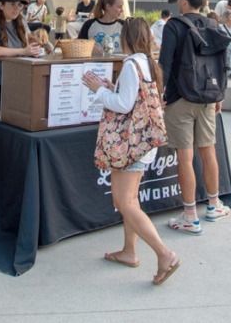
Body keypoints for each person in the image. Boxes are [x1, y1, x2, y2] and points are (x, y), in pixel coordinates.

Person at [82, 18, 180, 286]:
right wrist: (110, 88)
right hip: (143, 143)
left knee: (124, 202)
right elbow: (134, 99)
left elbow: (124, 105)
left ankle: (164, 254)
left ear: (127, 38)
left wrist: (99, 90)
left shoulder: (129, 65)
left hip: (129, 144)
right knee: (131, 200)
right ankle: (129, 251)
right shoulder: (147, 63)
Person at [159, 0, 231, 236]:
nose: (178, 1)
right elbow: (223, 64)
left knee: (185, 158)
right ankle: (213, 205)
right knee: (208, 151)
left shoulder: (174, 26)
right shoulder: (214, 25)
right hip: (209, 98)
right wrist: (218, 94)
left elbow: (164, 65)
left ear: (185, 0)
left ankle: (190, 214)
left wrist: (159, 94)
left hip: (180, 99)